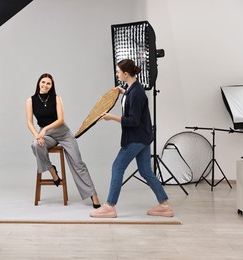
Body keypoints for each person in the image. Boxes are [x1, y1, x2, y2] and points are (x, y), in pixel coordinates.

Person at [90, 59, 173, 218]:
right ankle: (164, 206)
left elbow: (133, 121)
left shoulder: (136, 93)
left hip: (137, 138)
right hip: (143, 137)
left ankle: (109, 206)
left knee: (117, 167)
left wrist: (112, 117)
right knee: (145, 171)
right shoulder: (132, 89)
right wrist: (123, 92)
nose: (116, 74)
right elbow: (133, 103)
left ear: (126, 74)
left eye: (118, 72)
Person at [26, 73, 101, 208]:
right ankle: (52, 171)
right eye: (43, 82)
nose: (45, 85)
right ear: (38, 83)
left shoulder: (57, 98)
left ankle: (93, 195)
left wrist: (43, 130)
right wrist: (37, 135)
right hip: (47, 135)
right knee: (36, 145)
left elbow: (61, 120)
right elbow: (29, 122)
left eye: (48, 83)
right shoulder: (30, 100)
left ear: (52, 86)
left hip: (63, 133)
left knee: (78, 163)